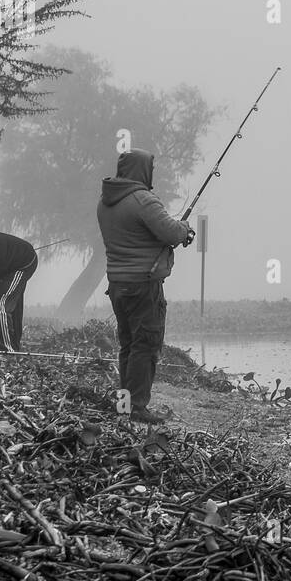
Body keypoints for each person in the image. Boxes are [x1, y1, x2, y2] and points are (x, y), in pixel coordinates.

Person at [97, 149, 193, 424]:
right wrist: (185, 227)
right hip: (143, 285)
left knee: (128, 345)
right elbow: (171, 232)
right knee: (146, 345)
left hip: (117, 284)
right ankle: (137, 407)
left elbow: (138, 234)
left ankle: (124, 406)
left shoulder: (104, 202)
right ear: (143, 171)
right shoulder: (142, 200)